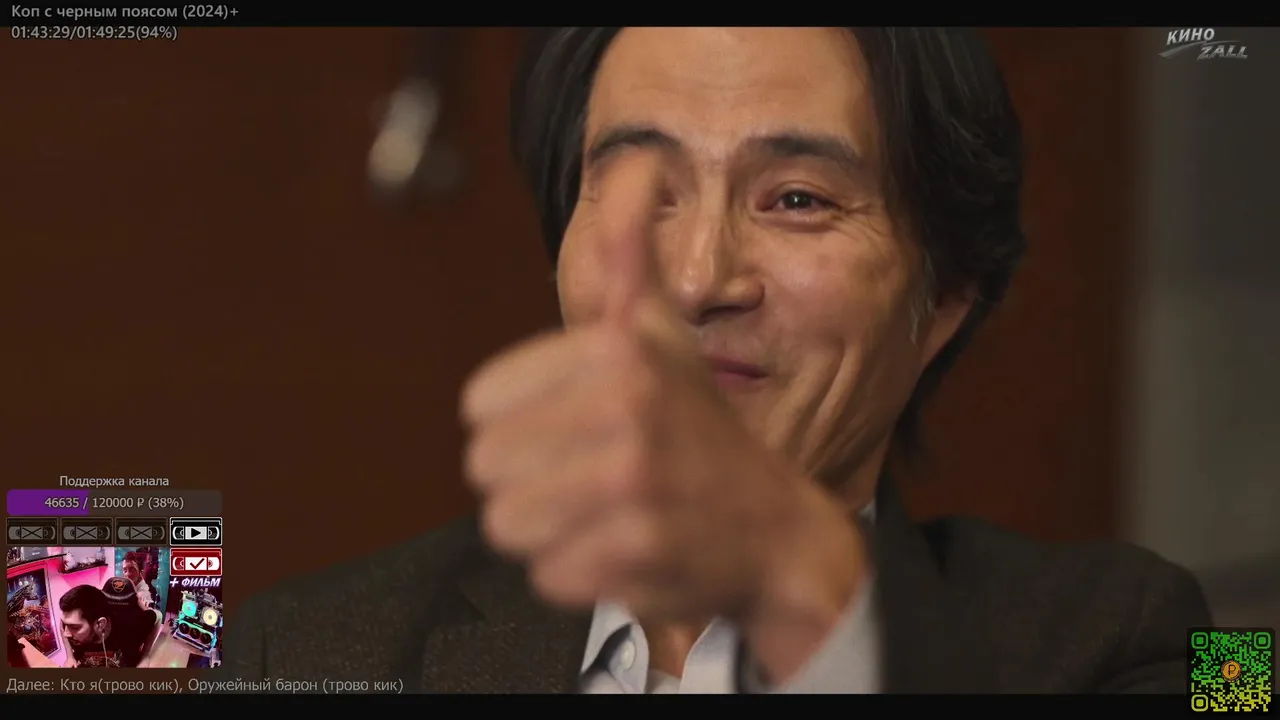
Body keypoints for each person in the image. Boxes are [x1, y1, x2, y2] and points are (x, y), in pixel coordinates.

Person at [225, 28, 1210, 693]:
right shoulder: (285, 651)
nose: (697, 279)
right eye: (641, 191)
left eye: (797, 199)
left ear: (942, 300)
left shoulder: (1154, 636)